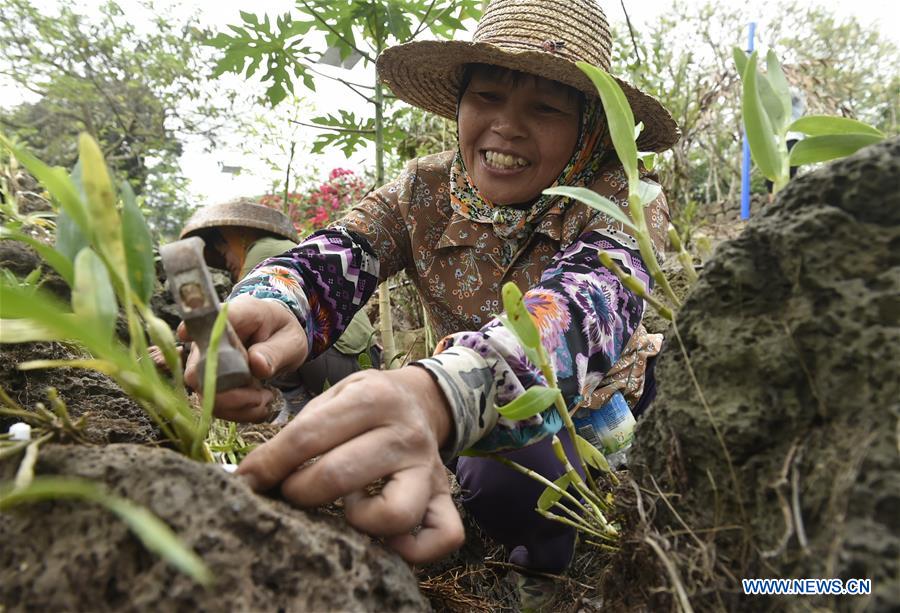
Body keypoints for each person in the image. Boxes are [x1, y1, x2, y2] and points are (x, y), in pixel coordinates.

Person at [183, 0, 678, 595]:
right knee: (481, 472)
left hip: (599, 400)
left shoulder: (623, 197)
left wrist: (443, 393)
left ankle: (549, 576)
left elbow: (587, 304)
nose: (506, 126)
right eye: (487, 96)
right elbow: (342, 250)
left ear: (590, 126)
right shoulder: (423, 189)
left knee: (518, 478)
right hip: (457, 402)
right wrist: (277, 302)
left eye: (545, 107)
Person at [158, 200, 380, 400]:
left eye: (225, 253)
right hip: (365, 361)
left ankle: (294, 404)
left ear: (238, 235)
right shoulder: (286, 251)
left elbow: (240, 318)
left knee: (261, 336)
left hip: (345, 364)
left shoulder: (262, 249)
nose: (227, 263)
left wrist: (183, 352)